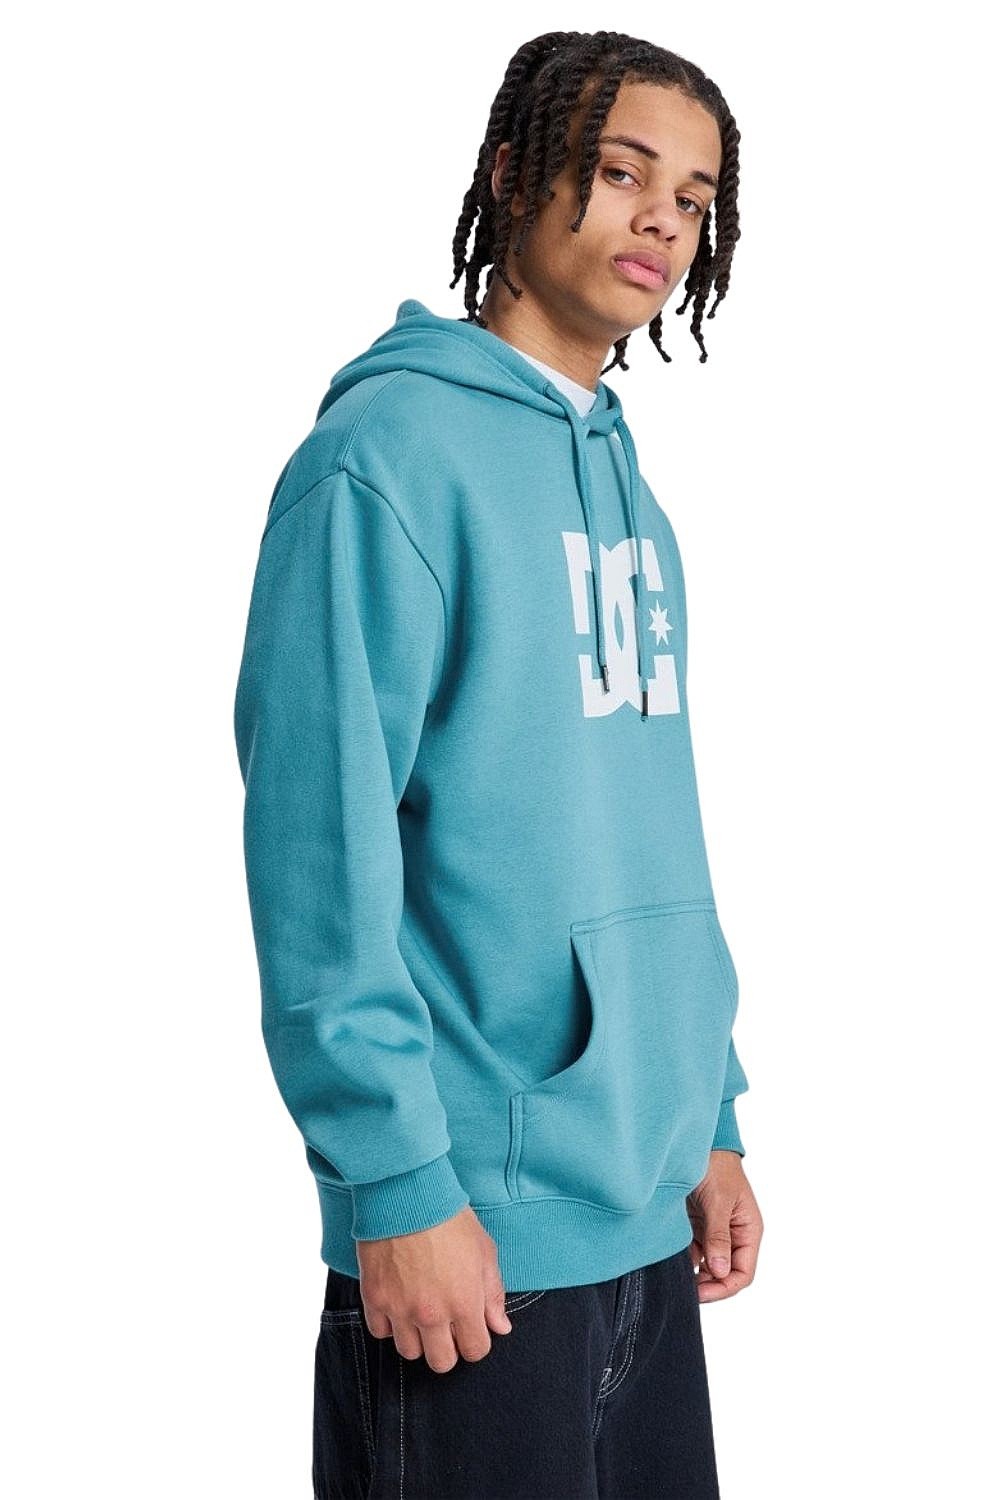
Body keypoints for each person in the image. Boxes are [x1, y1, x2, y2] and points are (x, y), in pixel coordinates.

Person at [234, 28, 764, 1500]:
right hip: (469, 1238)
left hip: (643, 1219)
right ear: (515, 175)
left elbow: (645, 830)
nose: (665, 220)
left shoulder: (633, 496)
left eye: (696, 198)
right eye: (623, 172)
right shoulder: (385, 460)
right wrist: (396, 1183)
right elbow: (317, 848)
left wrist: (708, 1118)